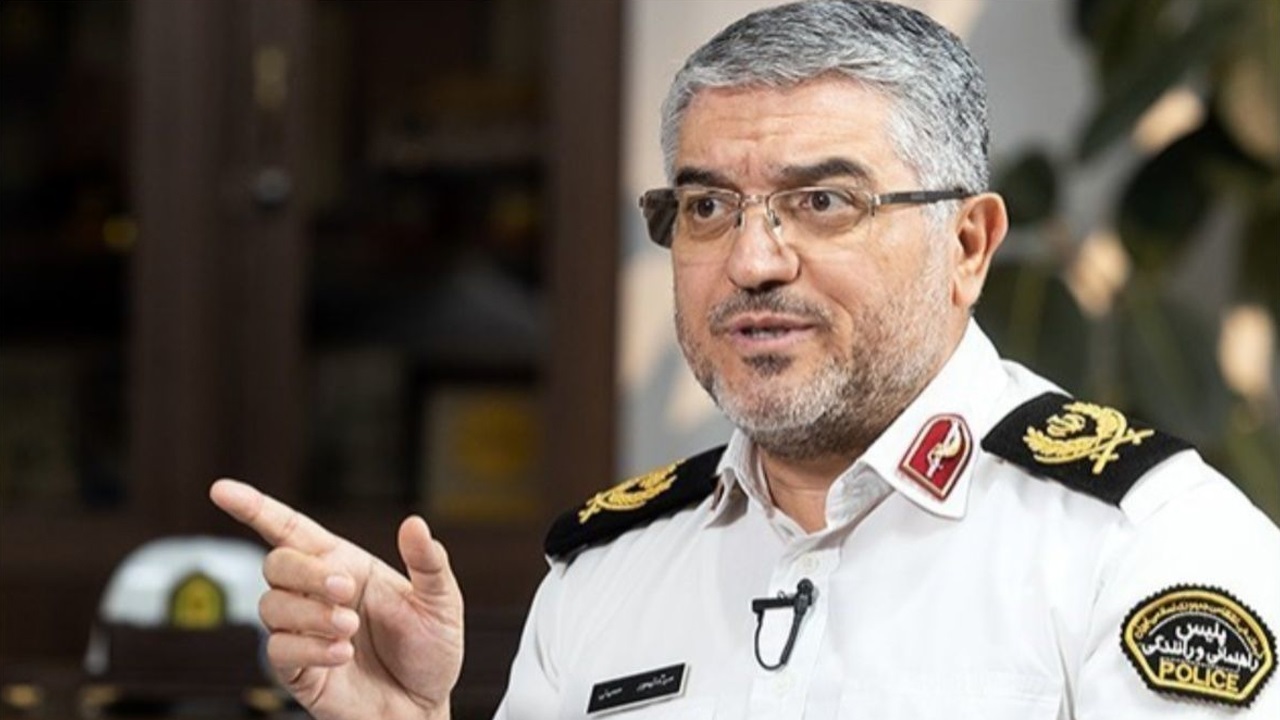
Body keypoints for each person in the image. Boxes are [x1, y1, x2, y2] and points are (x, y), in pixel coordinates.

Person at [210, 1, 1280, 717]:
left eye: (822, 201)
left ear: (966, 245)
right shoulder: (606, 572)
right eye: (708, 207)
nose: (753, 261)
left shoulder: (1143, 550)